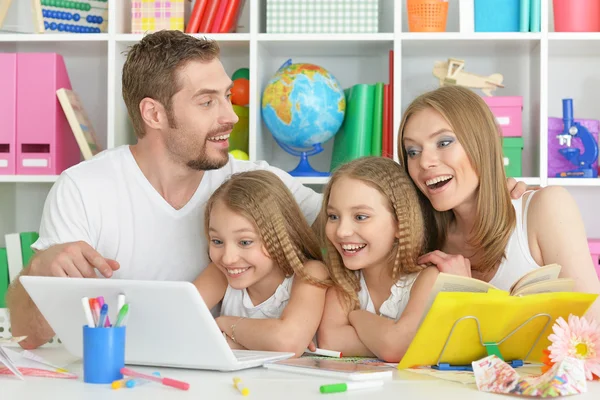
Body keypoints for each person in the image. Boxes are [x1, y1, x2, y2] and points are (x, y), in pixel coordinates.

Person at [5, 31, 322, 350]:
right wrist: (39, 269)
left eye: (227, 96)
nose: (230, 116)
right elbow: (27, 337)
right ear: (154, 114)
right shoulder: (82, 188)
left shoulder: (253, 186)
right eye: (208, 101)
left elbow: (350, 231)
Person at [398, 85, 600, 320]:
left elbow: (592, 331)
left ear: (483, 142)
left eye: (444, 142)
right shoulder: (423, 239)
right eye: (412, 151)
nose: (424, 162)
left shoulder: (545, 209)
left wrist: (468, 293)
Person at [192, 170, 330, 357]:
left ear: (281, 235)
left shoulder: (310, 274)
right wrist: (254, 343)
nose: (228, 258)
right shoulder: (221, 272)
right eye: (217, 241)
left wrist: (224, 323)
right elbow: (176, 324)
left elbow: (288, 342)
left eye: (245, 242)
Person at [316, 157, 439, 362]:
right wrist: (388, 337)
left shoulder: (428, 278)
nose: (342, 231)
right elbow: (331, 341)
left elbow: (397, 346)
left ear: (400, 224)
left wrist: (356, 317)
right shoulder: (344, 283)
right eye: (333, 216)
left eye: (360, 217)